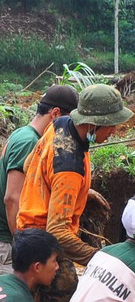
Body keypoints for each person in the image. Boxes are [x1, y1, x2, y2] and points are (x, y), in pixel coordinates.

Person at [17, 84, 133, 302]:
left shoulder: (61, 125)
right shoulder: (68, 165)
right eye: (111, 125)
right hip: (40, 241)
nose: (114, 131)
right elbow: (56, 230)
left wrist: (81, 190)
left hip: (28, 229)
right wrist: (100, 258)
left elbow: (30, 164)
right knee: (68, 286)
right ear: (93, 124)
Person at [0, 85, 78, 275]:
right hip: (8, 246)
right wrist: (24, 248)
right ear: (56, 113)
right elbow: (12, 198)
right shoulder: (29, 142)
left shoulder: (22, 134)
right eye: (70, 121)